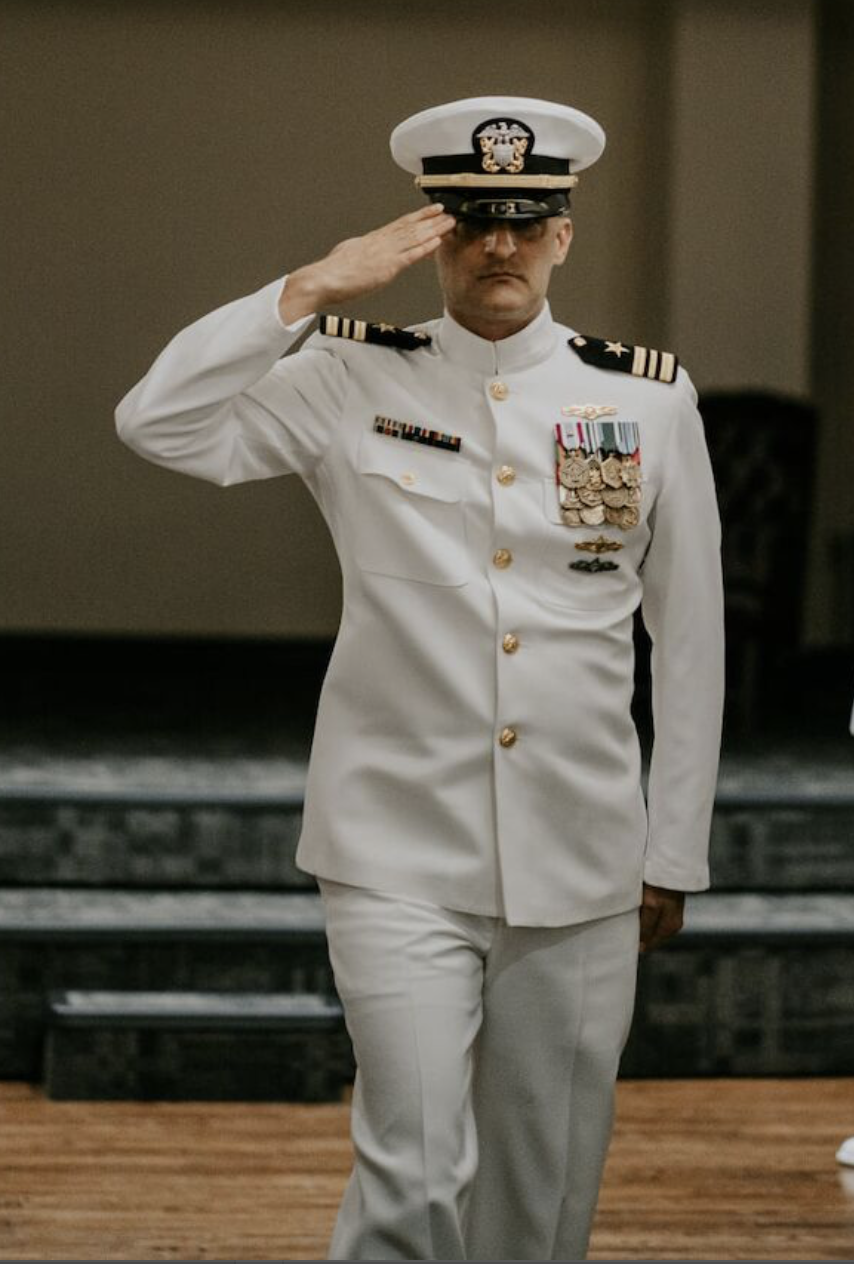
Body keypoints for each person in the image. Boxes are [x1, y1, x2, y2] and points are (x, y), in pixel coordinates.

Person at [116, 96, 725, 1261]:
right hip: (392, 843)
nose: (498, 246)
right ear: (434, 237)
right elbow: (159, 422)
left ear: (561, 235)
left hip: (580, 845)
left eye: (523, 221)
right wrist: (303, 292)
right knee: (412, 1166)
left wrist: (671, 847)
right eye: (469, 223)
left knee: (542, 1191)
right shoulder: (349, 377)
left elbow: (687, 637)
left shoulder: (645, 399)